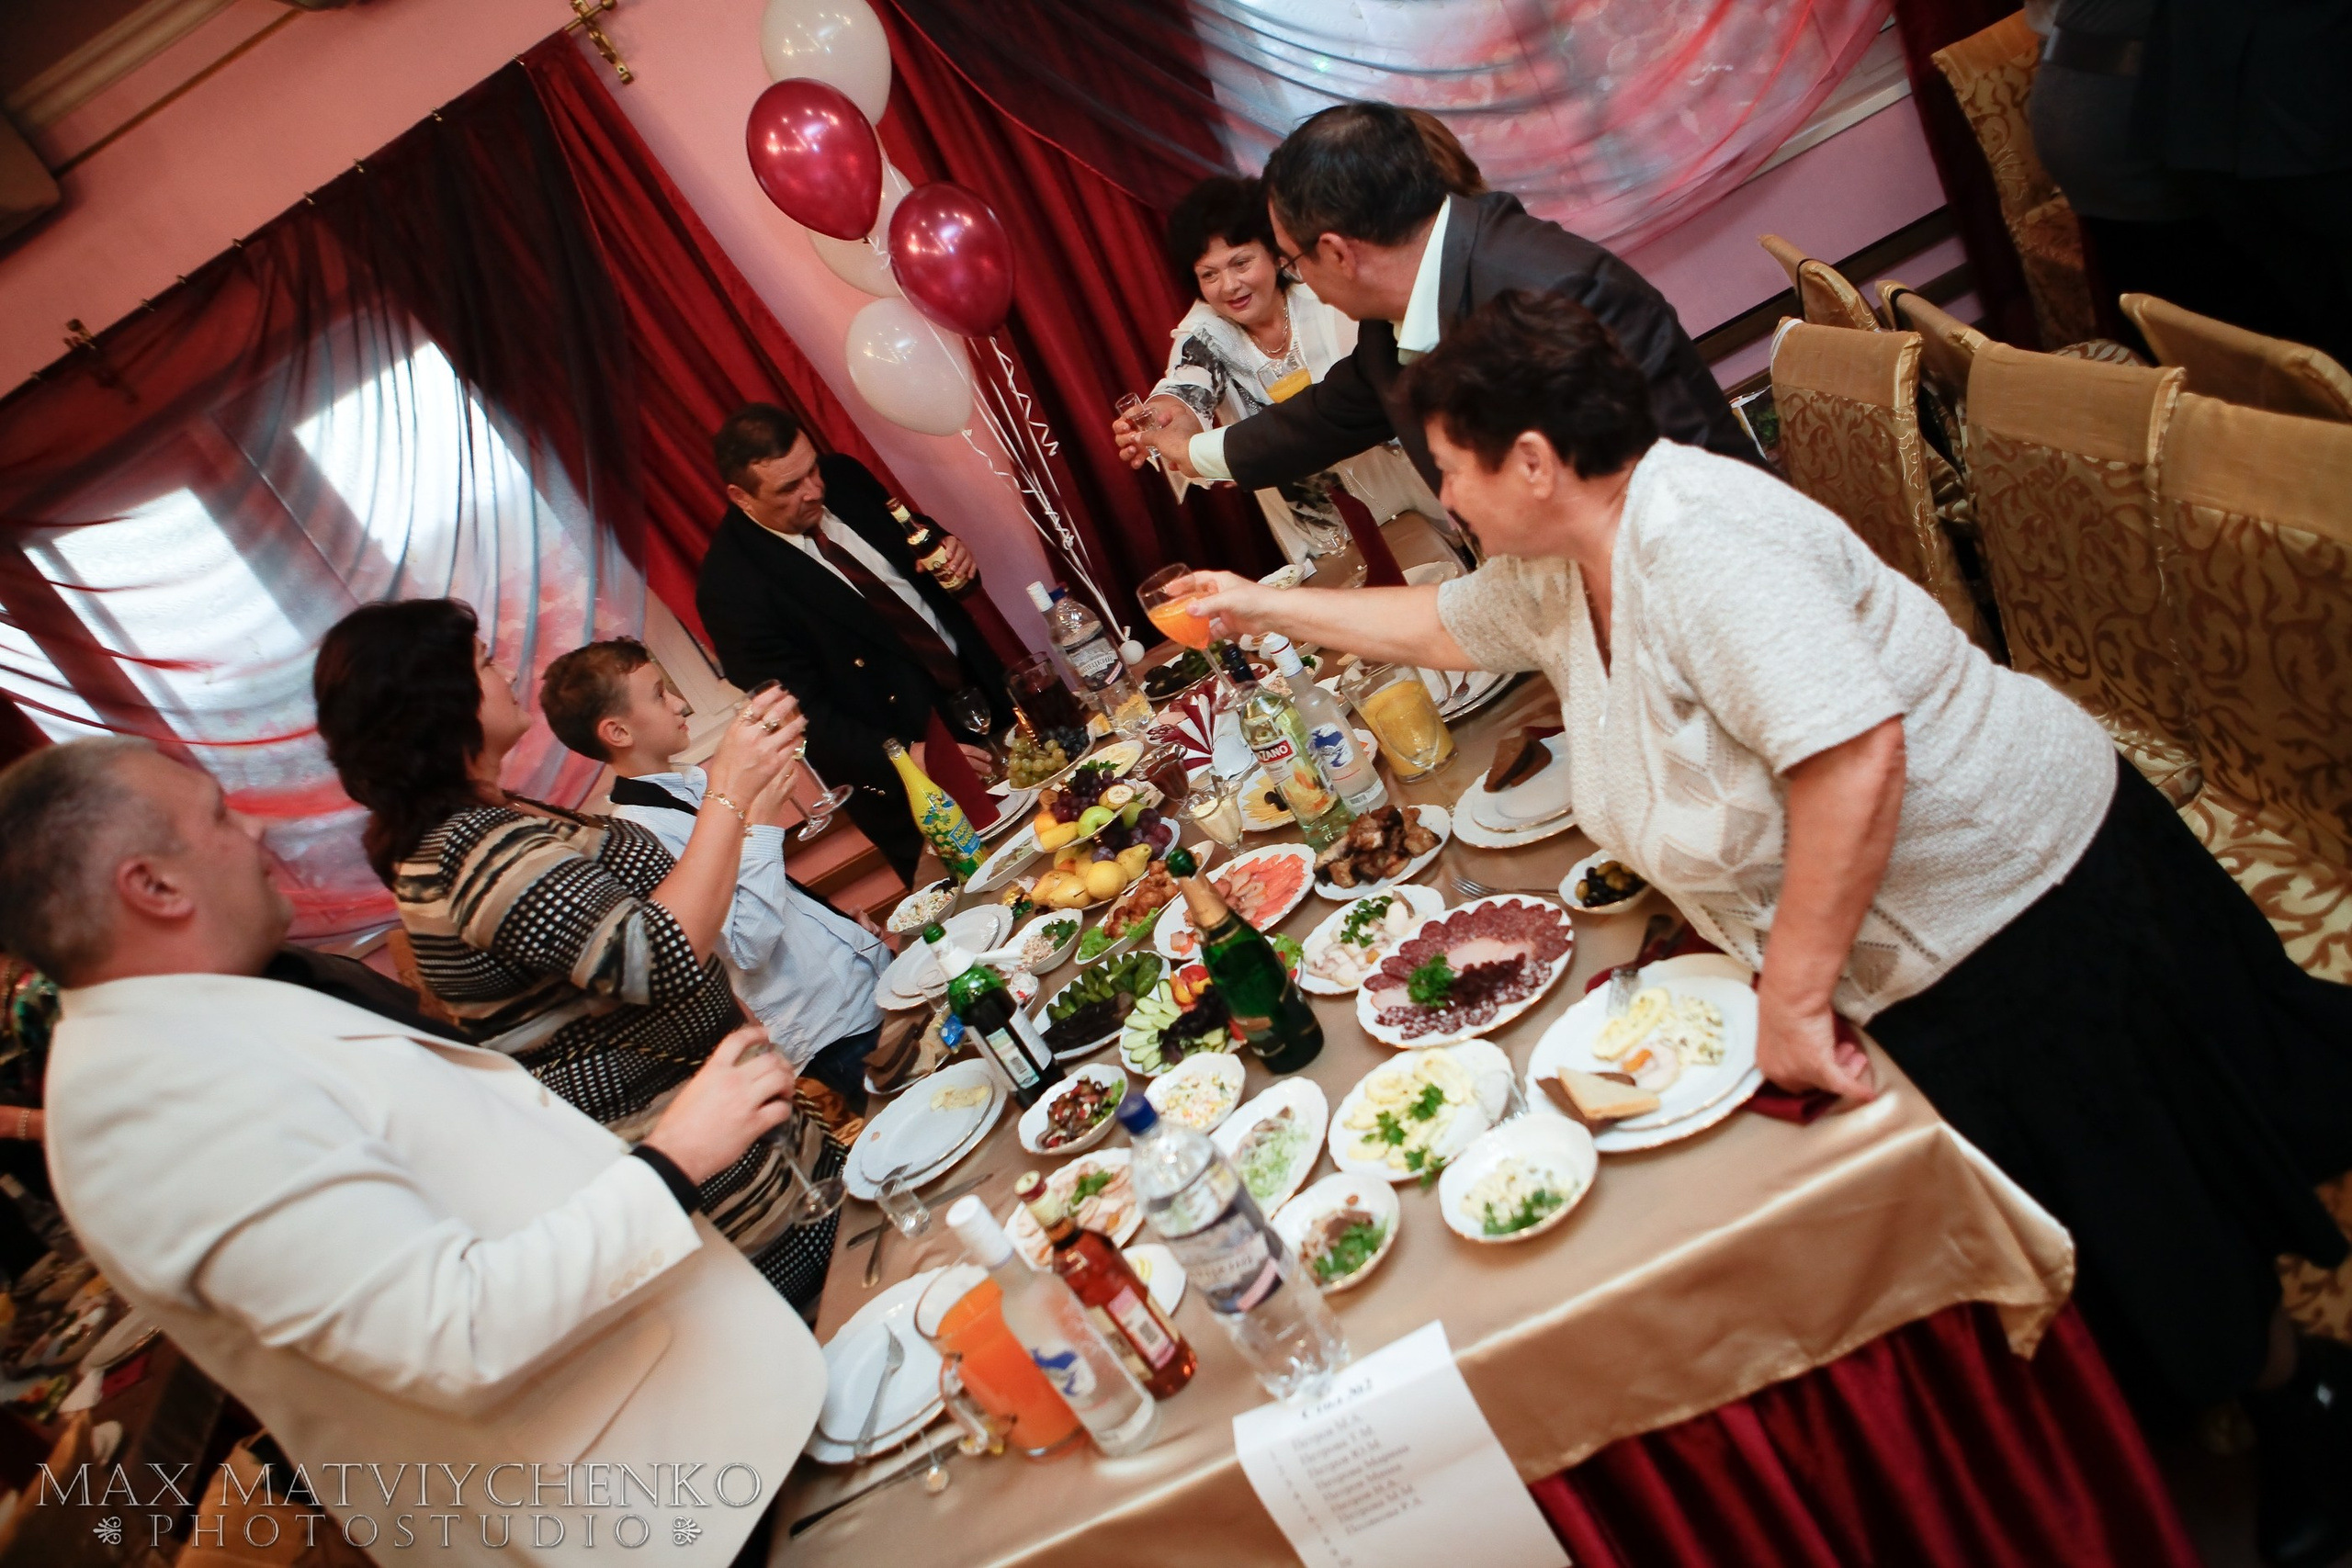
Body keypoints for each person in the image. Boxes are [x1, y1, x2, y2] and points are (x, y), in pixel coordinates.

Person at [1170, 288, 2352, 1567]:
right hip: (1915, 938)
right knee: (2093, 1224)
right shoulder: (1573, 563)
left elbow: (1852, 757)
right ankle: (2195, 1384)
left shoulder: (1701, 538)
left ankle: (2311, 1408)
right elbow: (1439, 621)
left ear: (1530, 460)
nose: (1443, 496)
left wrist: (1790, 999)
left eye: (1451, 467)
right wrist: (1262, 605)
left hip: (2026, 898)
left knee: (2151, 1207)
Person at [0, 738, 820, 1566]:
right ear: (153, 884)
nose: (251, 831)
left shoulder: (199, 1021)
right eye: (217, 815)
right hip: (647, 1507)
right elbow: (452, 1332)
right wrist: (675, 1156)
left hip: (689, 1431)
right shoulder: (148, 1104)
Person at [312, 598, 842, 1310]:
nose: (503, 673)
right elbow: (657, 953)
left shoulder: (497, 818)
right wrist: (730, 791)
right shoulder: (467, 850)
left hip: (758, 1137)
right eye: (483, 662)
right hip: (720, 1186)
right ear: (439, 703)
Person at [1115, 99, 1756, 498]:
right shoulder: (1393, 321)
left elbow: (1688, 503)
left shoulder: (1552, 295)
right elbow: (1321, 420)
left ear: (1338, 252)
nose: (1297, 278)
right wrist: (1186, 448)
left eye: (1292, 260)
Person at [539, 637, 892, 1120]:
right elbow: (745, 944)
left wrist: (839, 930)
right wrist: (765, 821)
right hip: (833, 1031)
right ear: (618, 731)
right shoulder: (642, 833)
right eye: (660, 694)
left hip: (861, 981)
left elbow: (757, 891)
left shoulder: (692, 785)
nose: (681, 703)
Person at [695, 404, 1010, 883]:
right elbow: (803, 718)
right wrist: (908, 756)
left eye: (811, 469)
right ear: (740, 496)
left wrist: (950, 549)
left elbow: (915, 545)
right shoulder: (730, 590)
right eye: (788, 488)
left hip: (987, 696)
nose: (814, 490)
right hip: (912, 770)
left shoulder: (844, 475)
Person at [1141, 175, 1451, 568]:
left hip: (1414, 500)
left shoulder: (1327, 296)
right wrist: (1169, 414)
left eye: (1241, 262)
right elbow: (1188, 384)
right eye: (1209, 274)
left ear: (1274, 253)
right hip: (1325, 544)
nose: (1230, 285)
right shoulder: (1206, 334)